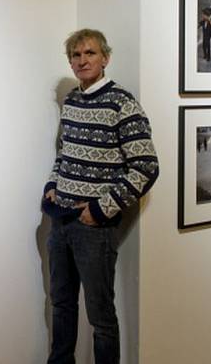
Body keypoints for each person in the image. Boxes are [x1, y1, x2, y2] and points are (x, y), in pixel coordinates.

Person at [41, 28, 159, 364]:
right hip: (60, 221)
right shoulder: (72, 101)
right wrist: (53, 186)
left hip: (93, 229)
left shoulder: (122, 103)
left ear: (105, 58)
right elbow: (63, 154)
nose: (82, 61)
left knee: (101, 318)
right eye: (76, 56)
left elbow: (146, 166)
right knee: (61, 304)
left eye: (90, 53)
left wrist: (101, 209)